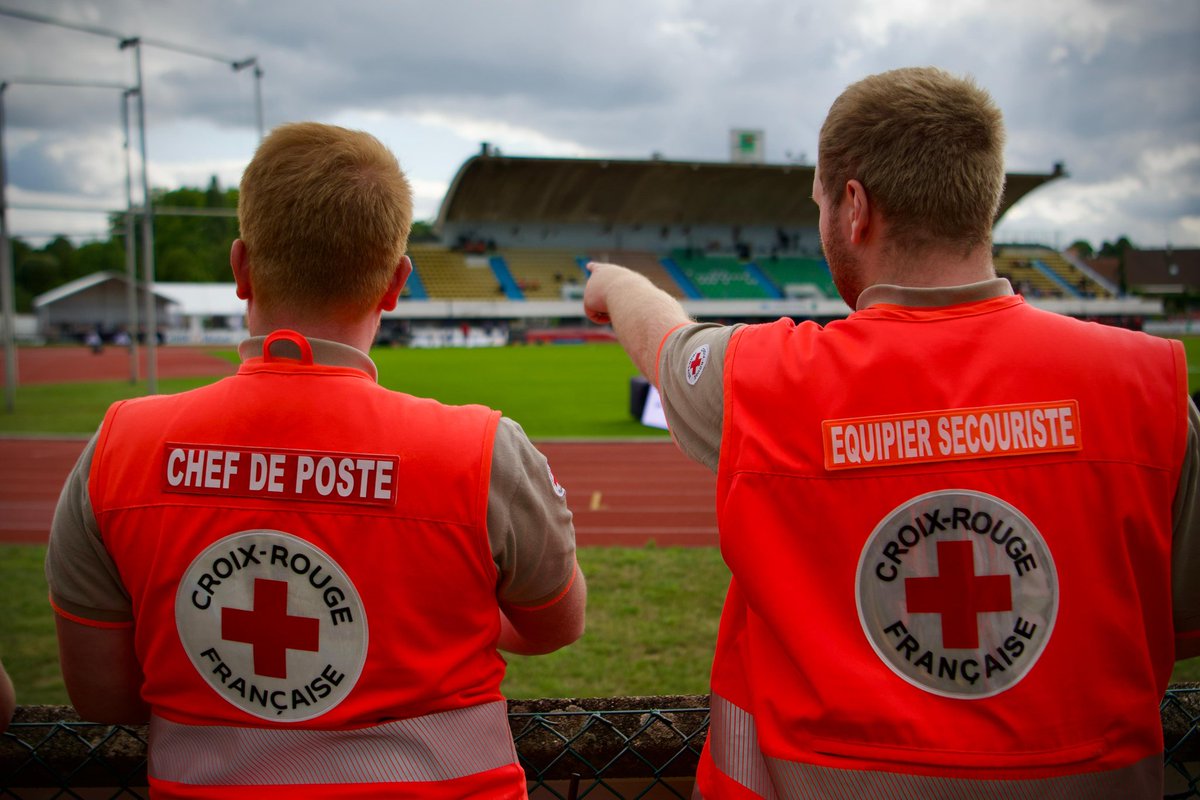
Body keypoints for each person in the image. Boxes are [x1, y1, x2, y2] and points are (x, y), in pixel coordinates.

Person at [584, 66, 1199, 798]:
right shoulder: (1148, 388)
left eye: (817, 203)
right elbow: (1178, 617)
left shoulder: (765, 378)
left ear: (854, 208)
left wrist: (617, 284)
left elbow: (671, 347)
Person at [46, 122, 586, 799]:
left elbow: (103, 694)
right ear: (396, 284)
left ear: (240, 268)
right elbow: (555, 623)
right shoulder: (484, 451)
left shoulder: (118, 447)